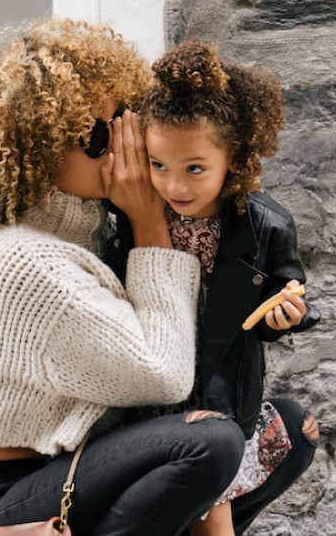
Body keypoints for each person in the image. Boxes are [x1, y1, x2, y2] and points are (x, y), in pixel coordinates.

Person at [0, 18, 247, 536]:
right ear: (38, 146)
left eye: (125, 122)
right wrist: (149, 222)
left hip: (70, 472)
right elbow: (163, 373)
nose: (122, 147)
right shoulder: (23, 261)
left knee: (284, 428)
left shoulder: (89, 240)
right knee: (208, 444)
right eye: (97, 135)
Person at [110, 40, 322, 535]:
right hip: (151, 387)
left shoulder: (266, 225)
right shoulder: (134, 216)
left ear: (235, 157)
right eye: (158, 165)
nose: (175, 186)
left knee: (214, 495)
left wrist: (288, 314)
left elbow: (288, 287)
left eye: (194, 169)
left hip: (222, 392)